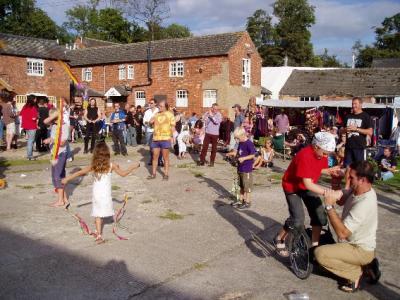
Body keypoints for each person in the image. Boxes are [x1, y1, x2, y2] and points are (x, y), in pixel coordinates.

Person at [274, 132, 342, 255]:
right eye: (325, 152)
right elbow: (308, 184)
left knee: (319, 216)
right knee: (298, 220)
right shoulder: (304, 155)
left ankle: (314, 246)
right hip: (292, 187)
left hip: (307, 184)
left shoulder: (322, 154)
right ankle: (280, 238)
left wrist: (329, 171)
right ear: (316, 147)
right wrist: (329, 193)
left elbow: (316, 168)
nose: (327, 156)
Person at [315, 160, 378, 293]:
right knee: (321, 246)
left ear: (362, 180)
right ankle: (368, 266)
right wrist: (336, 182)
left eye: (351, 177)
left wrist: (329, 206)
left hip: (359, 249)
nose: (347, 179)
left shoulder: (365, 203)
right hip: (357, 246)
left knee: (320, 254)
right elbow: (342, 200)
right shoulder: (359, 190)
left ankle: (355, 273)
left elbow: (342, 233)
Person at [62, 142, 140, 244]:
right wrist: (132, 167)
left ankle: (99, 235)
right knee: (101, 213)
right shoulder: (111, 165)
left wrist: (67, 178)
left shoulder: (93, 166)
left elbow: (80, 172)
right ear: (107, 154)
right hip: (106, 194)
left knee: (98, 215)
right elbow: (123, 174)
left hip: (97, 194)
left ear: (95, 154)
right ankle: (99, 229)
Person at [343, 97, 373, 189]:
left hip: (359, 147)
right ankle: (347, 188)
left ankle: (359, 186)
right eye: (352, 103)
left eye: (355, 104)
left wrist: (356, 129)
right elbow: (341, 130)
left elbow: (370, 132)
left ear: (360, 104)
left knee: (360, 169)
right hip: (349, 146)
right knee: (348, 167)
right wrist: (344, 130)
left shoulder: (365, 116)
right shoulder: (348, 116)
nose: (353, 105)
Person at [43, 108, 70, 207]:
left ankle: (60, 201)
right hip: (54, 154)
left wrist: (52, 140)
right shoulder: (54, 125)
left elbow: (62, 143)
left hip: (60, 154)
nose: (51, 120)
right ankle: (65, 199)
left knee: (57, 177)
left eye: (54, 118)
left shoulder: (64, 126)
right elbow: (45, 121)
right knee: (59, 176)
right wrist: (49, 139)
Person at [147, 99, 175, 180]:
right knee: (155, 157)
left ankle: (166, 174)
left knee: (165, 157)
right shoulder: (156, 114)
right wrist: (150, 122)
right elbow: (151, 124)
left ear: (166, 106)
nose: (159, 107)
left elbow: (173, 127)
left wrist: (172, 137)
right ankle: (153, 174)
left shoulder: (170, 114)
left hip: (165, 138)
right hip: (156, 138)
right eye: (159, 106)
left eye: (161, 106)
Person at [20, 94, 38, 160]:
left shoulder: (25, 106)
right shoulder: (33, 107)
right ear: (33, 99)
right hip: (32, 125)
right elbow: (33, 118)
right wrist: (37, 117)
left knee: (29, 141)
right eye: (35, 99)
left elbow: (21, 113)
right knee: (31, 141)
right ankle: (30, 156)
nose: (36, 100)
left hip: (25, 125)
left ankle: (29, 155)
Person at [143, 99, 161, 165]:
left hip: (157, 131)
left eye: (152, 103)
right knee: (151, 147)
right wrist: (148, 123)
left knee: (158, 146)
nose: (150, 104)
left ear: (155, 104)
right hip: (149, 131)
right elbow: (144, 121)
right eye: (150, 103)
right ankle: (151, 159)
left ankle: (159, 160)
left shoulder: (159, 111)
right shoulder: (147, 112)